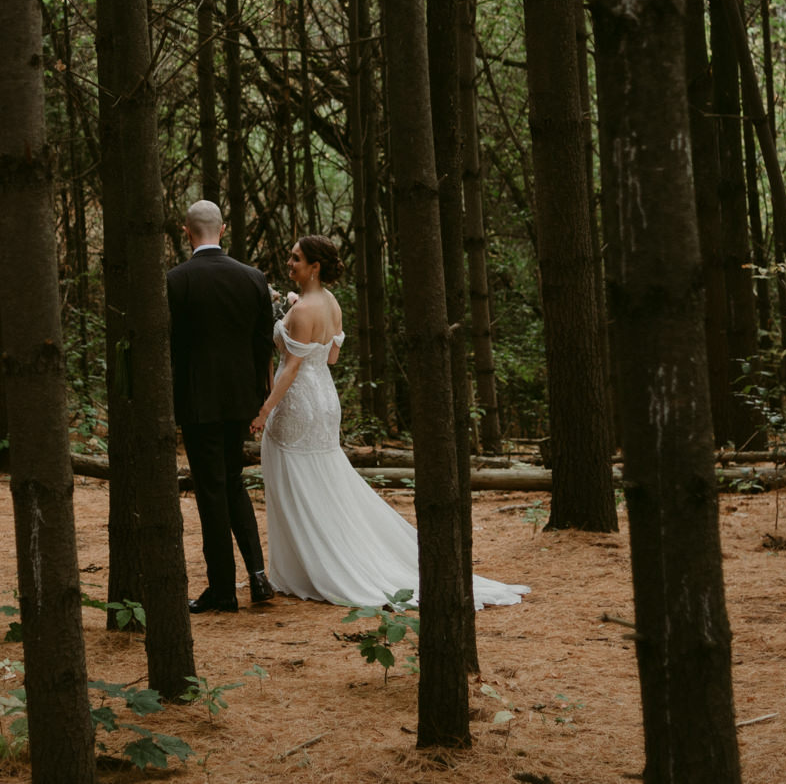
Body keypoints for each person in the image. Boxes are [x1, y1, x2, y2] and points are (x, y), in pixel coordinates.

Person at [254, 234, 528, 611]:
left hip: (297, 402)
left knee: (294, 481)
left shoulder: (301, 311)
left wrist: (266, 409)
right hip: (325, 400)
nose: (290, 264)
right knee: (320, 480)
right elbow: (331, 357)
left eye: (296, 259)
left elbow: (291, 366)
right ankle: (313, 562)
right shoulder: (330, 304)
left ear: (314, 267)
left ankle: (304, 569)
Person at [165, 200, 276, 613]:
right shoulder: (253, 278)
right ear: (223, 229)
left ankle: (223, 589)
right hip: (241, 400)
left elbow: (172, 347)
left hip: (198, 403)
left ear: (185, 231)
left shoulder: (176, 280)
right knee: (232, 482)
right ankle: (258, 575)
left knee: (211, 490)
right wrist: (257, 400)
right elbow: (262, 342)